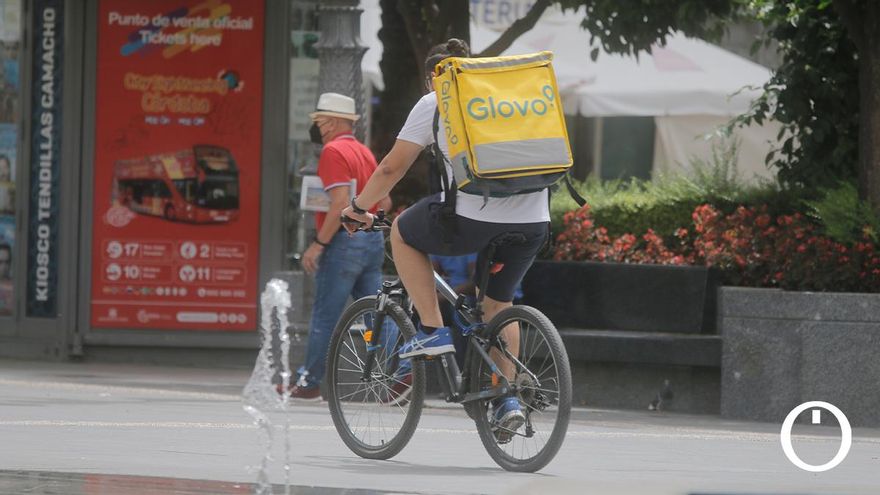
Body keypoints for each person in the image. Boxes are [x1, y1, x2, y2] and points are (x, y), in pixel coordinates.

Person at [342, 39, 550, 441]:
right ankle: (507, 401)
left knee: (403, 232)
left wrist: (357, 208)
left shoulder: (435, 98)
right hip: (534, 219)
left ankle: (432, 330)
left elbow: (390, 167)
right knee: (499, 306)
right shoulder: (502, 97)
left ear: (430, 78)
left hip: (475, 216)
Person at [287, 92, 392, 400]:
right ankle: (397, 375)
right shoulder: (364, 152)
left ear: (330, 122)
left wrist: (317, 245)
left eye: (318, 122)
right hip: (371, 241)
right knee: (376, 316)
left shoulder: (333, 152)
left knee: (325, 316)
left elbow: (339, 206)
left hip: (343, 244)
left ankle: (309, 382)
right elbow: (384, 201)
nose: (317, 128)